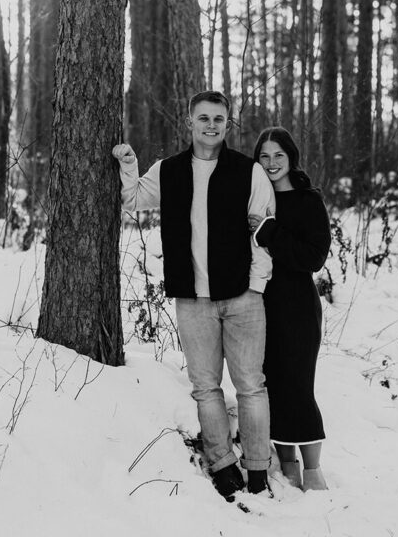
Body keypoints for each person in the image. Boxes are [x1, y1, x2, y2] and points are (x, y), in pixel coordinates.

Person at [113, 91, 276, 501]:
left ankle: (257, 472)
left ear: (227, 124)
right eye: (203, 118)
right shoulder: (168, 171)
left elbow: (264, 232)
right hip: (192, 301)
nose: (211, 126)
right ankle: (222, 466)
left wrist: (256, 286)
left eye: (218, 119)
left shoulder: (248, 171)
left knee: (251, 387)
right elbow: (133, 199)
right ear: (190, 122)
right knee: (205, 388)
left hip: (242, 298)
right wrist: (129, 165)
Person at [251, 126, 331, 493]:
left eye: (278, 155)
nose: (271, 163)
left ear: (291, 157)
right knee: (274, 388)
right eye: (264, 156)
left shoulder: (308, 200)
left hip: (298, 307)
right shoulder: (255, 200)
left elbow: (313, 258)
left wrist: (270, 232)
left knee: (298, 386)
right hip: (260, 304)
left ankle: (313, 472)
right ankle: (288, 467)